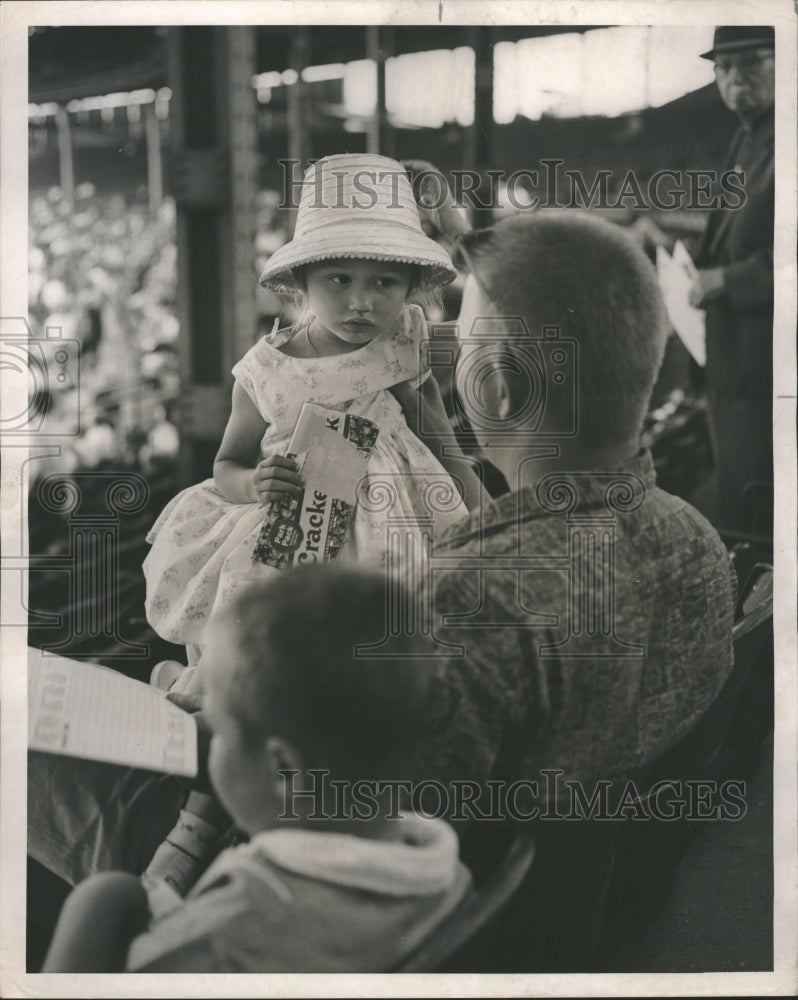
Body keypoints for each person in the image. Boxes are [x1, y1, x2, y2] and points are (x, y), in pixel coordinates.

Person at [404, 202, 736, 970]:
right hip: (582, 926)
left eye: (463, 331)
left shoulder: (459, 606)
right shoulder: (693, 538)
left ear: (494, 388)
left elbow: (364, 856)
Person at [143, 153, 484, 693]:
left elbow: (433, 426)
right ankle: (198, 691)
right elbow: (228, 462)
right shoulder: (267, 370)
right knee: (279, 655)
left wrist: (482, 509)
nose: (360, 303)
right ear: (301, 279)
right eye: (339, 279)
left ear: (412, 286)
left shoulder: (403, 338)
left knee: (393, 644)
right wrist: (254, 483)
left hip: (399, 521)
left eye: (385, 284)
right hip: (300, 531)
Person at [37, 565, 471, 972]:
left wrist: (99, 903)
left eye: (221, 729)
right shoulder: (446, 873)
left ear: (283, 768)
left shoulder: (226, 938)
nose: (211, 737)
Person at [689, 26, 775, 537]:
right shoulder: (748, 135)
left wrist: (726, 277)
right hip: (736, 367)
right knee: (741, 496)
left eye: (751, 62)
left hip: (770, 371)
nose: (735, 77)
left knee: (762, 510)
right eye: (723, 67)